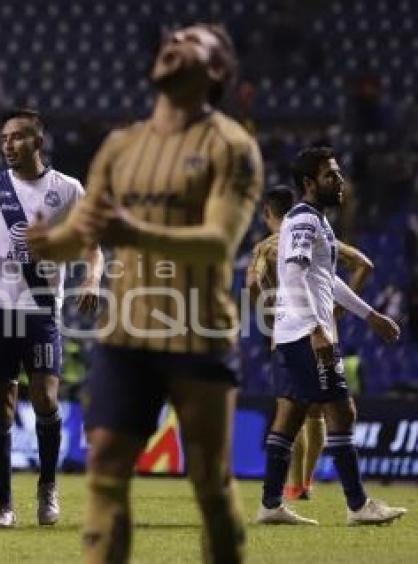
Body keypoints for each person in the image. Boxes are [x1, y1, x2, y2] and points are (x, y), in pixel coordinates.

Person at [28, 24, 261, 563]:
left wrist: (133, 233)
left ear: (217, 71)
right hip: (125, 334)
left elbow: (218, 244)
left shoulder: (233, 147)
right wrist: (46, 242)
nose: (175, 39)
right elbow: (78, 237)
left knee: (210, 482)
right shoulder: (120, 146)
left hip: (198, 332)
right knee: (105, 466)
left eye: (194, 38)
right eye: (172, 36)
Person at [0, 108, 103, 528]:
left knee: (46, 399)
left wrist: (91, 280)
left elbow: (93, 246)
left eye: (18, 137)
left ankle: (47, 487)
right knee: (0, 408)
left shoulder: (69, 189)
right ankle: (4, 504)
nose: (8, 145)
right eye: (4, 138)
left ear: (38, 142)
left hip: (41, 309)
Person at [255, 146, 407, 526]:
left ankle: (271, 504)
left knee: (290, 415)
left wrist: (370, 315)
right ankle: (358, 506)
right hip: (306, 335)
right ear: (309, 183)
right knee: (342, 410)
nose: (339, 182)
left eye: (339, 175)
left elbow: (325, 280)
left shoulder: (312, 221)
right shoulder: (305, 221)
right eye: (330, 176)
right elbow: (293, 274)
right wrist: (317, 330)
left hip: (292, 334)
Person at [246, 186, 374, 501]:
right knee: (319, 412)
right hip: (323, 329)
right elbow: (363, 265)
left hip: (288, 334)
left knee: (291, 409)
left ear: (267, 213)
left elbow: (252, 283)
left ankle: (289, 488)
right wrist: (338, 309)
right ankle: (304, 484)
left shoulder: (266, 247)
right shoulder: (321, 237)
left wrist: (268, 309)